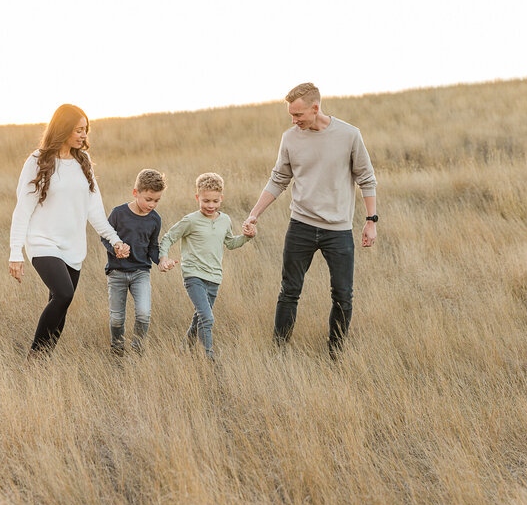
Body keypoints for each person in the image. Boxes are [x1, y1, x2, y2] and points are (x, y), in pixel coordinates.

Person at [243, 83, 377, 360]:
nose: (294, 121)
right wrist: (254, 214)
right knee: (289, 291)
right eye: (291, 115)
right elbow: (278, 179)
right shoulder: (290, 138)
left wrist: (370, 220)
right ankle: (278, 352)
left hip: (338, 231)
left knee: (343, 295)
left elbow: (366, 178)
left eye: (298, 115)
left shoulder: (350, 135)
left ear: (316, 108)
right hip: (300, 227)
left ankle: (335, 355)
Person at [9, 104, 130, 358]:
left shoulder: (83, 162)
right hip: (42, 242)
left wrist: (115, 240)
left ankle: (43, 363)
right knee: (64, 294)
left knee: (60, 303)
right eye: (78, 130)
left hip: (72, 247)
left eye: (86, 130)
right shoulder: (38, 161)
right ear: (63, 129)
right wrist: (15, 253)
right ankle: (34, 358)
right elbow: (23, 209)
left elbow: (94, 210)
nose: (84, 135)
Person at [158, 173, 256, 359]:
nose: (210, 205)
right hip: (193, 276)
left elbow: (230, 243)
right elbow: (168, 237)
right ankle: (209, 357)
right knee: (207, 318)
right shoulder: (191, 220)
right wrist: (163, 258)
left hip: (214, 278)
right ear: (197, 198)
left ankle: (184, 350)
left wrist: (246, 238)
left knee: (199, 318)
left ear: (221, 198)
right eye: (205, 201)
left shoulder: (225, 220)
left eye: (215, 201)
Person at [101, 169, 166, 357]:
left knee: (144, 314)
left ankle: (138, 350)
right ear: (135, 192)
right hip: (117, 273)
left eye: (156, 200)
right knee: (116, 319)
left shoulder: (155, 219)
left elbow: (153, 247)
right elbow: (105, 236)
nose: (152, 204)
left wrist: (161, 260)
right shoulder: (118, 213)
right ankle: (117, 349)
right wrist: (115, 248)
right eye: (148, 199)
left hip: (141, 273)